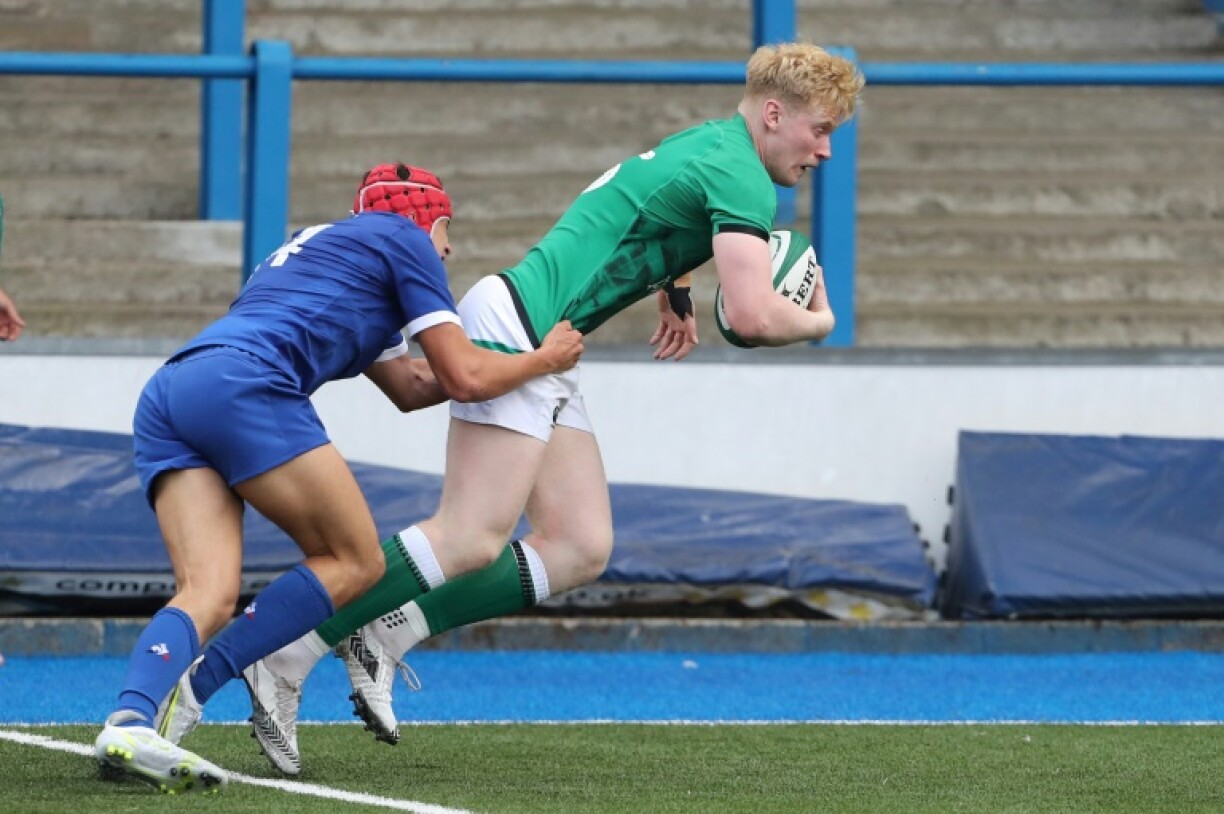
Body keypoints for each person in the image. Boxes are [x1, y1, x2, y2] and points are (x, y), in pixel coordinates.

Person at [164, 41, 864, 775]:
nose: (824, 150)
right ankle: (288, 650)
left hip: (540, 328)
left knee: (579, 544)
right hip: (525, 327)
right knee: (469, 536)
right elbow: (751, 318)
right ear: (776, 113)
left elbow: (657, 207)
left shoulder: (716, 143)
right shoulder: (745, 178)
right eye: (821, 130)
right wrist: (820, 320)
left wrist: (676, 287)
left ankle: (388, 632)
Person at [92, 162, 585, 793]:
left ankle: (131, 720)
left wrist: (504, 367)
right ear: (420, 218)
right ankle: (203, 687)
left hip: (175, 389)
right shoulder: (404, 240)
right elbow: (463, 377)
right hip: (248, 386)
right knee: (356, 559)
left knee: (208, 591)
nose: (449, 246)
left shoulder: (324, 247)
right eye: (445, 228)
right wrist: (542, 360)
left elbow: (411, 386)